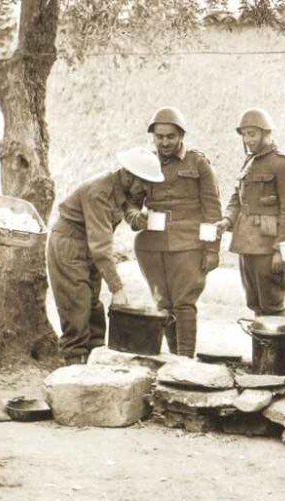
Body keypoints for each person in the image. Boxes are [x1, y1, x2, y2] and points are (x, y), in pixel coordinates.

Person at [48, 147, 164, 365]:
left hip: (88, 247)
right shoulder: (99, 192)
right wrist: (117, 287)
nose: (146, 190)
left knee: (93, 307)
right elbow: (101, 247)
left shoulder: (126, 188)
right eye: (145, 183)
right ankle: (73, 371)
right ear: (129, 175)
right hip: (69, 245)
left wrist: (144, 218)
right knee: (76, 309)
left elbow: (131, 215)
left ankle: (94, 366)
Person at [129, 107, 222, 357]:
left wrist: (212, 249)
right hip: (151, 244)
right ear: (153, 137)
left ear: (181, 135)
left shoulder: (198, 162)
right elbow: (131, 201)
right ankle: (173, 359)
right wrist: (135, 217)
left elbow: (212, 210)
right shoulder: (145, 162)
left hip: (188, 242)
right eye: (159, 137)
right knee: (163, 304)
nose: (165, 142)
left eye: (170, 136)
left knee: (184, 303)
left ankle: (185, 361)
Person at [216, 109, 285, 316]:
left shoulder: (284, 164)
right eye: (245, 134)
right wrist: (227, 220)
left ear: (267, 133)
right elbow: (237, 198)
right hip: (246, 243)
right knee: (255, 303)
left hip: (269, 247)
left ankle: (277, 349)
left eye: (252, 134)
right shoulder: (249, 162)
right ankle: (260, 350)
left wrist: (280, 251)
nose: (248, 140)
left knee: (272, 305)